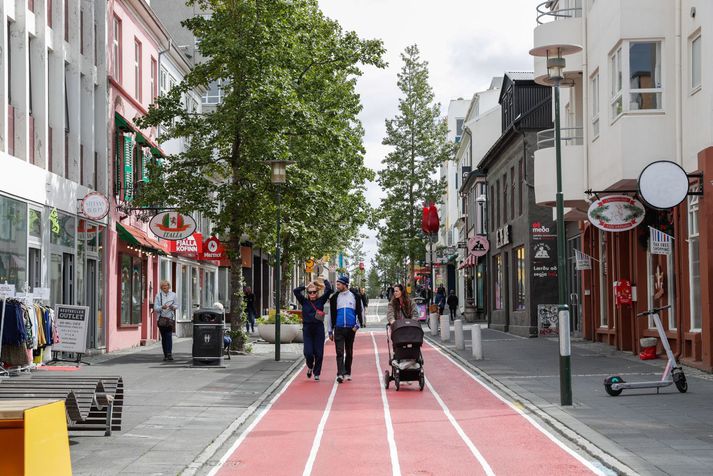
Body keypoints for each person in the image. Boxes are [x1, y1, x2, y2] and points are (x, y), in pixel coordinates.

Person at [294, 279, 333, 381]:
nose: (312, 294)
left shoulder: (321, 300)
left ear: (317, 292)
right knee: (308, 353)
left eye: (314, 292)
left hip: (318, 329)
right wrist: (306, 287)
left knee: (319, 354)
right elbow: (295, 291)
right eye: (310, 292)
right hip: (307, 329)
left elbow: (329, 290)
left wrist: (323, 280)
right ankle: (310, 366)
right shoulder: (304, 301)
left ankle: (316, 373)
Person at [328, 275, 364, 383]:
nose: (337, 286)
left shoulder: (355, 297)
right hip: (338, 328)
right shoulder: (334, 298)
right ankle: (340, 374)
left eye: (339, 284)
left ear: (345, 285)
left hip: (350, 329)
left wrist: (356, 326)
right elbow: (330, 315)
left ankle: (348, 372)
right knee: (339, 352)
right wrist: (330, 330)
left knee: (349, 352)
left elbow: (361, 312)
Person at [154, 280, 177, 361]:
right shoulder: (158, 295)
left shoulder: (173, 295)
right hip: (161, 319)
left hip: (170, 318)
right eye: (163, 286)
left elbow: (177, 305)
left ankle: (169, 353)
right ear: (161, 287)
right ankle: (165, 354)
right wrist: (161, 307)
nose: (165, 287)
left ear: (168, 286)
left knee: (169, 336)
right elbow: (155, 308)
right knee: (164, 337)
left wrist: (173, 307)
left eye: (166, 285)